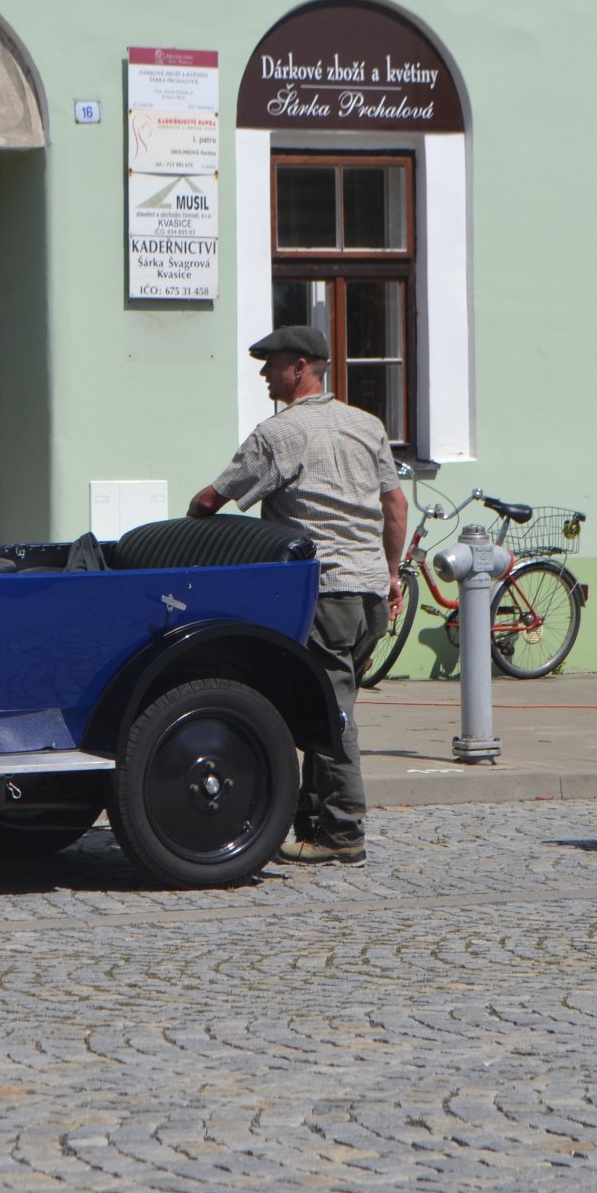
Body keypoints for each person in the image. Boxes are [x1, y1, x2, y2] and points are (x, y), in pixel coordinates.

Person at [187, 325, 407, 866]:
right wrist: (391, 574)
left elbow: (213, 498)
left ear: (302, 367)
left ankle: (343, 832)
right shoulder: (368, 425)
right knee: (325, 704)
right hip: (368, 594)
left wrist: (191, 526)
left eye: (273, 363)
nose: (264, 373)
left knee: (332, 713)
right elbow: (396, 505)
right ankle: (310, 820)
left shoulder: (278, 435)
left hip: (323, 591)